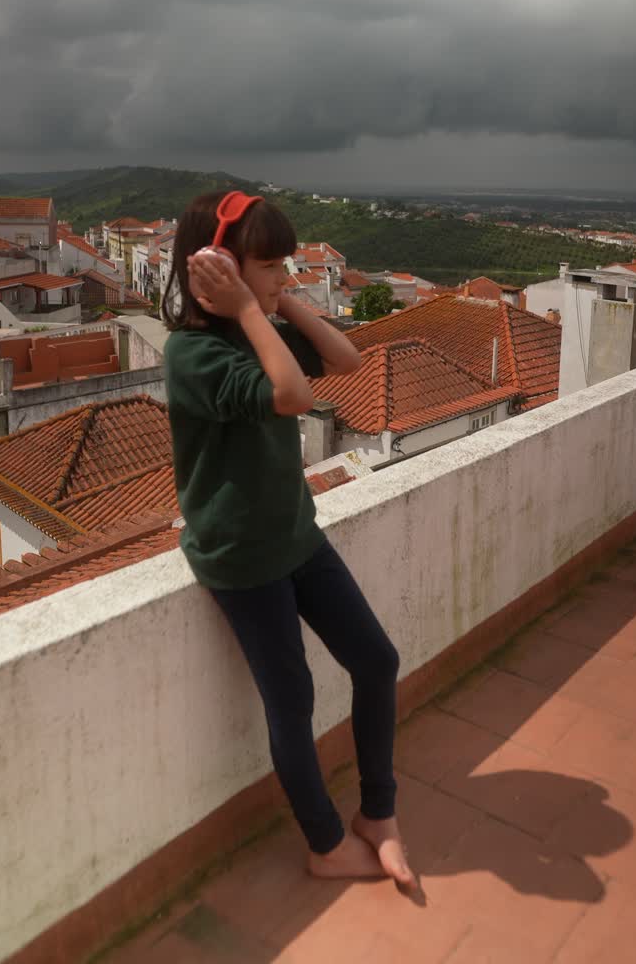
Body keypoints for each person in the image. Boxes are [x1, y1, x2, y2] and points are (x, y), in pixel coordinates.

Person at [162, 190, 414, 885]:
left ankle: (378, 814)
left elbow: (346, 359)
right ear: (214, 265)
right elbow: (296, 397)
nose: (283, 276)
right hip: (243, 556)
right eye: (269, 264)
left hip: (296, 535)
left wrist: (276, 300)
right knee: (293, 701)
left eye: (285, 264)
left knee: (376, 660)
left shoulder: (260, 325)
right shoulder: (193, 354)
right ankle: (326, 843)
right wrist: (249, 306)